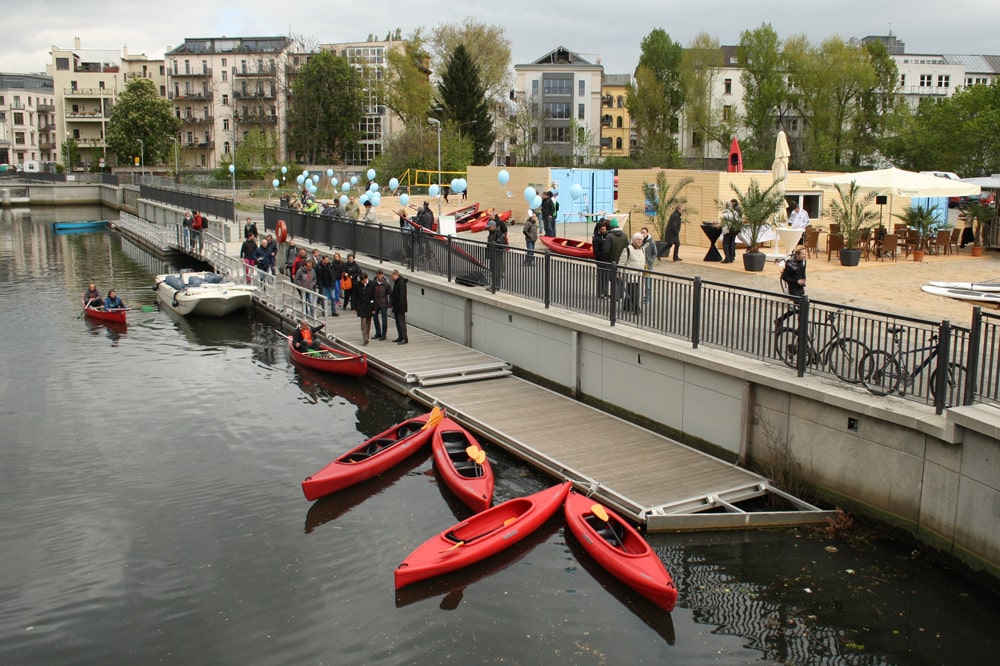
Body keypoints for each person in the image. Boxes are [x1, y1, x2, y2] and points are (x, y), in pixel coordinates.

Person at [618, 233, 646, 314]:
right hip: (631, 275)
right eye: (638, 239)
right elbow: (621, 262)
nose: (640, 241)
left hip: (639, 275)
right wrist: (620, 272)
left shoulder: (643, 249)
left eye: (641, 239)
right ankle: (636, 308)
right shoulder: (627, 249)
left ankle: (626, 306)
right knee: (634, 292)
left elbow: (643, 261)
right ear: (633, 241)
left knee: (631, 291)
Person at [354, 272, 376, 345]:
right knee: (363, 323)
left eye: (364, 280)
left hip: (370, 306)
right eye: (361, 281)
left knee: (368, 322)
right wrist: (355, 307)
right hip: (361, 306)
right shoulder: (358, 285)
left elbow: (375, 297)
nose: (363, 282)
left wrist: (374, 309)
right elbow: (355, 295)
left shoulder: (372, 284)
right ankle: (365, 338)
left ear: (366, 278)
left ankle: (367, 335)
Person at [486, 219, 507, 292]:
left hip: (497, 254)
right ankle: (493, 285)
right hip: (492, 253)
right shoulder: (491, 233)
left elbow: (501, 244)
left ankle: (496, 286)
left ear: (494, 226)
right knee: (493, 270)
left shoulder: (498, 233)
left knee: (496, 270)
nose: (488, 228)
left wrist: (495, 246)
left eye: (489, 227)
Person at [592, 221, 611, 297]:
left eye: (605, 229)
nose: (604, 231)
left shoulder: (607, 236)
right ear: (599, 229)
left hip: (606, 261)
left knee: (606, 277)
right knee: (601, 277)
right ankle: (600, 293)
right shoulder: (596, 239)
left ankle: (605, 292)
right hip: (600, 261)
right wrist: (600, 259)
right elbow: (596, 251)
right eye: (602, 229)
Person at [389, 269, 409, 344]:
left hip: (400, 307)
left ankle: (404, 337)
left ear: (395, 275)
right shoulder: (397, 282)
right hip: (397, 306)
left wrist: (399, 305)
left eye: (392, 276)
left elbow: (401, 296)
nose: (391, 278)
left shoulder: (401, 283)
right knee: (398, 322)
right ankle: (400, 336)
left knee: (401, 322)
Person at [372, 269, 391, 340]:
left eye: (381, 274)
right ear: (376, 275)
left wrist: (389, 303)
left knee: (384, 319)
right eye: (378, 274)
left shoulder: (386, 284)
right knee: (375, 318)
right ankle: (378, 332)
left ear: (383, 275)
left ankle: (384, 334)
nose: (379, 276)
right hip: (376, 303)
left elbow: (390, 294)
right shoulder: (374, 283)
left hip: (383, 303)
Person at [721, 199, 741, 264]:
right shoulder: (735, 212)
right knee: (732, 243)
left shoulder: (726, 213)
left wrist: (726, 230)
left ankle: (727, 258)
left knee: (725, 244)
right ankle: (731, 258)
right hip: (734, 230)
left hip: (728, 230)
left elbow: (725, 222)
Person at [640, 226, 657, 302]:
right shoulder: (639, 241)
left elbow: (655, 253)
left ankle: (648, 297)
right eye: (642, 232)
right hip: (640, 264)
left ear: (647, 233)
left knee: (647, 283)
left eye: (644, 232)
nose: (643, 234)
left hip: (647, 265)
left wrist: (651, 261)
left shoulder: (651, 242)